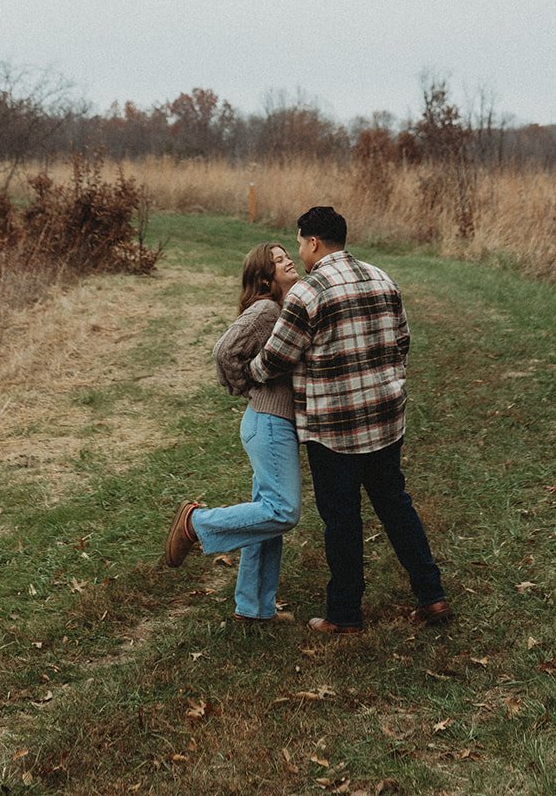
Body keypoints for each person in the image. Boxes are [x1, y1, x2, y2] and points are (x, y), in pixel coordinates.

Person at [248, 205, 450, 634]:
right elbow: (402, 342)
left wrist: (250, 373)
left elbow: (277, 359)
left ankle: (344, 614)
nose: (299, 252)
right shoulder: (382, 277)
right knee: (396, 506)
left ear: (314, 243)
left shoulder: (309, 292)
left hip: (334, 430)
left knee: (342, 520)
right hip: (385, 420)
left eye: (300, 243)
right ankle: (432, 596)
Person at [163, 241, 302, 621]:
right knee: (283, 511)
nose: (288, 259)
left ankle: (253, 607)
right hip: (269, 422)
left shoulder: (284, 309)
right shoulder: (266, 309)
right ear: (264, 277)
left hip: (271, 423)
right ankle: (195, 522)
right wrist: (246, 388)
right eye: (278, 260)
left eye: (287, 254)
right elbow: (224, 351)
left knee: (264, 517)